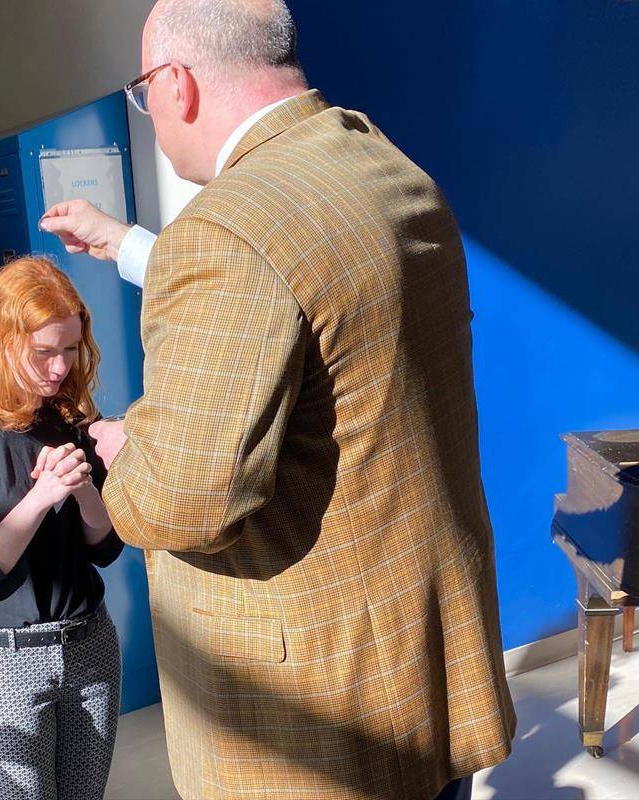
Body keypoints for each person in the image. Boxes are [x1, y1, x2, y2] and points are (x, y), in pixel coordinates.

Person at [39, 1, 516, 799]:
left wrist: (127, 447)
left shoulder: (224, 229)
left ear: (175, 85)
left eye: (140, 93)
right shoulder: (383, 167)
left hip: (315, 716)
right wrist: (122, 241)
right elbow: (296, 289)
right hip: (417, 662)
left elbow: (185, 500)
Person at [0, 256, 123, 800]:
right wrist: (39, 499)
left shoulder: (67, 419)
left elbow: (104, 550)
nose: (60, 368)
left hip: (88, 648)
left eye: (70, 349)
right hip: (3, 664)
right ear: (1, 341)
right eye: (44, 352)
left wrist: (83, 490)